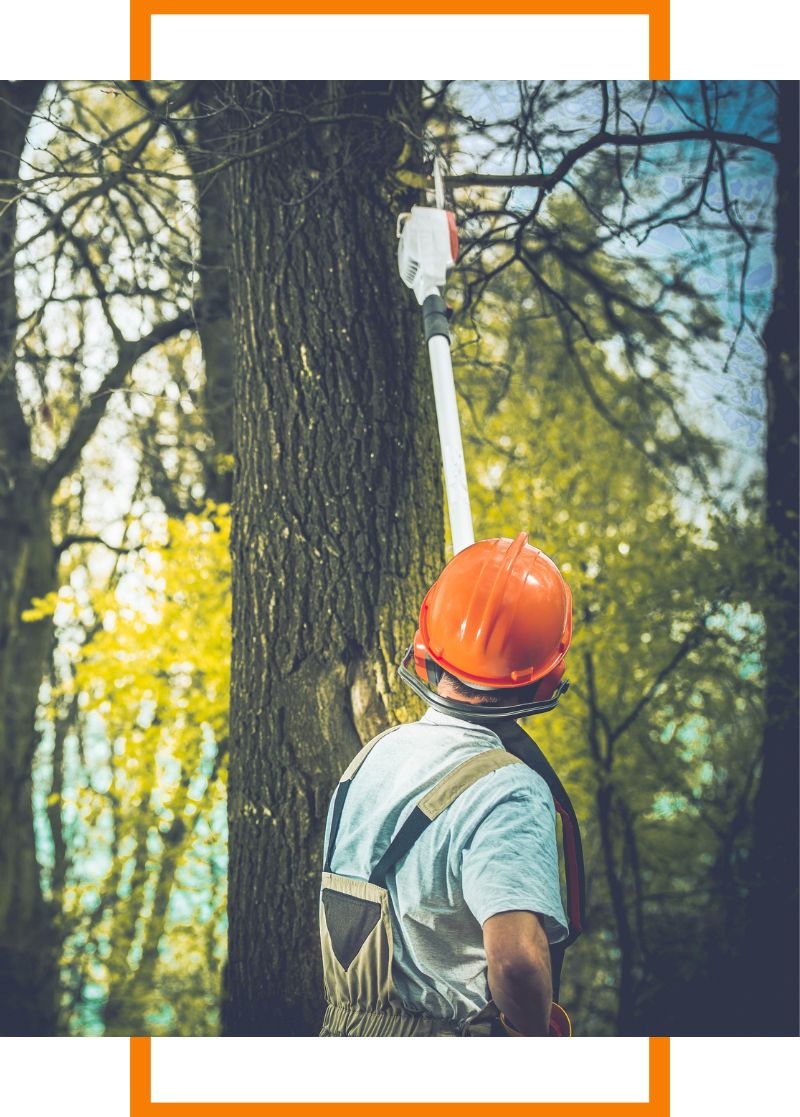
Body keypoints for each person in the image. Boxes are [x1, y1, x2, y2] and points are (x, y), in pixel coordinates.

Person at [318, 532, 581, 1037]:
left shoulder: (372, 758)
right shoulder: (511, 790)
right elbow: (518, 961)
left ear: (428, 646)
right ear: (545, 676)